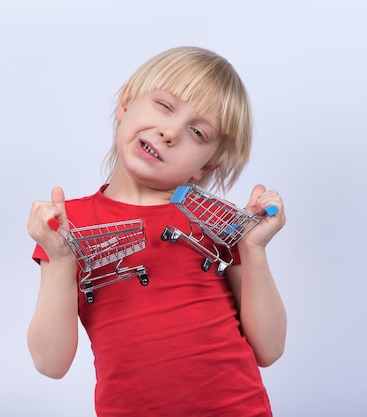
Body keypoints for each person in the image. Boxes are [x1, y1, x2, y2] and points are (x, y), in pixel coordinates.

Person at [27, 46, 287, 417]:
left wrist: (254, 250)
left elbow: (270, 349)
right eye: (165, 106)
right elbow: (50, 363)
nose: (169, 132)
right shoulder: (70, 227)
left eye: (197, 132)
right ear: (126, 103)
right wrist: (59, 259)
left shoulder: (215, 223)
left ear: (207, 164)